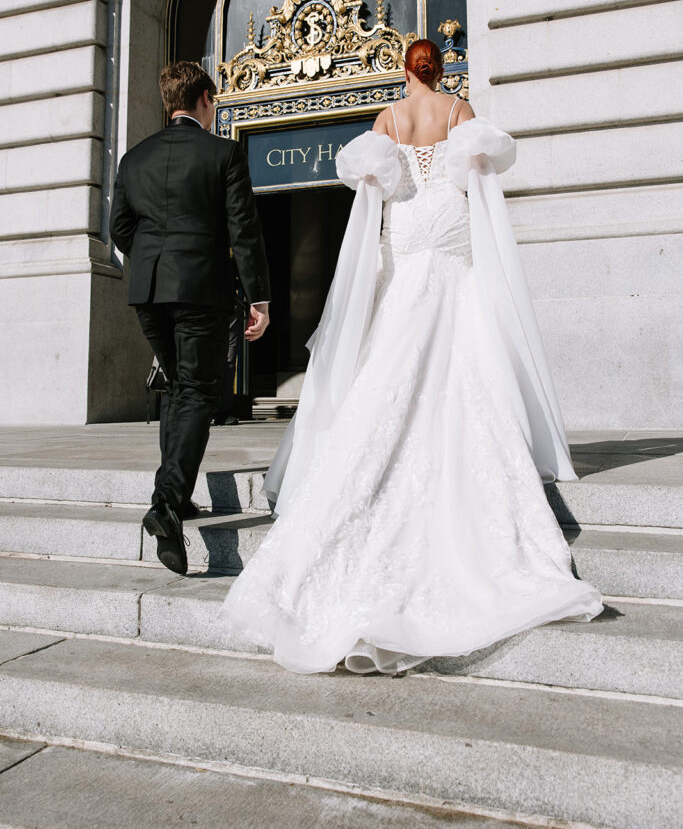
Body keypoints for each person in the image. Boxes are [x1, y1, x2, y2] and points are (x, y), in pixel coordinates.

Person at [218, 39, 602, 675]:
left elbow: (373, 202)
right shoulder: (459, 112)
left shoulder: (387, 121)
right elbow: (479, 194)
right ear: (443, 69)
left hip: (411, 240)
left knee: (385, 377)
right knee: (465, 366)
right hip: (450, 244)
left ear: (403, 70)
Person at [109, 61, 270, 575]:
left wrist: (155, 259)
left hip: (149, 291)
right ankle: (165, 504)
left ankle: (175, 502)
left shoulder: (134, 158)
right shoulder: (224, 152)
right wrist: (259, 299)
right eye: (214, 99)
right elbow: (243, 230)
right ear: (203, 98)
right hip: (200, 288)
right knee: (199, 393)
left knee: (178, 388)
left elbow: (119, 227)